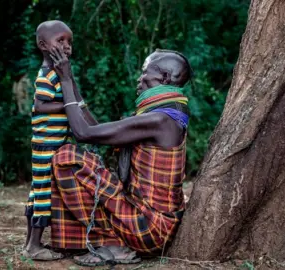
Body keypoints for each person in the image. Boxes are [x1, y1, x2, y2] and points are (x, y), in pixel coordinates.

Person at [48, 47, 192, 266]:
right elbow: (95, 129)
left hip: (150, 228)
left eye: (145, 72)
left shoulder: (160, 120)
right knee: (80, 161)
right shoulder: (168, 114)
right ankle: (109, 243)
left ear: (163, 77)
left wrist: (66, 81)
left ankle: (112, 245)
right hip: (147, 221)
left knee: (67, 157)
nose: (139, 78)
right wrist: (71, 81)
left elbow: (83, 133)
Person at [24, 20, 98, 261]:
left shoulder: (59, 73)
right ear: (43, 45)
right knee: (43, 195)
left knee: (38, 191)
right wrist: (69, 107)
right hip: (46, 145)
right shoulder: (46, 75)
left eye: (69, 41)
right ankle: (34, 246)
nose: (66, 46)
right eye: (60, 41)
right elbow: (39, 105)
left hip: (50, 143)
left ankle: (30, 243)